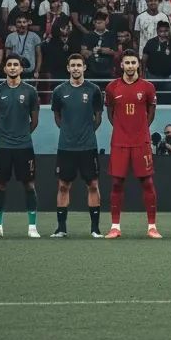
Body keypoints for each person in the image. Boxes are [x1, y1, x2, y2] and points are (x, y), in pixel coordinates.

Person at [103, 52, 161, 238]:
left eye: (132, 62)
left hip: (141, 142)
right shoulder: (112, 87)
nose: (129, 65)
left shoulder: (148, 87)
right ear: (121, 65)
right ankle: (115, 227)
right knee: (117, 183)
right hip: (119, 142)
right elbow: (110, 113)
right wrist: (121, 129)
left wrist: (140, 129)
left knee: (147, 182)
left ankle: (152, 227)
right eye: (126, 62)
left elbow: (151, 112)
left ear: (138, 65)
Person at [0, 57, 41, 239]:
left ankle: (32, 227)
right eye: (9, 65)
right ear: (5, 69)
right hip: (2, 146)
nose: (12, 67)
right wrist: (7, 135)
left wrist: (21, 135)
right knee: (0, 186)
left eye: (16, 65)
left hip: (24, 147)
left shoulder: (30, 91)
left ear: (21, 69)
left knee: (29, 185)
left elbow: (34, 121)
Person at [50, 54, 104, 239]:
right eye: (72, 65)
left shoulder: (94, 90)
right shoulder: (59, 91)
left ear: (84, 67)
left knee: (93, 185)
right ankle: (61, 228)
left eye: (79, 65)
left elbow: (98, 117)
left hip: (88, 147)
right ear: (68, 68)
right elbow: (57, 116)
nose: (75, 68)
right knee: (63, 186)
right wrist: (69, 132)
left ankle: (95, 229)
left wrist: (86, 132)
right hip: (66, 147)